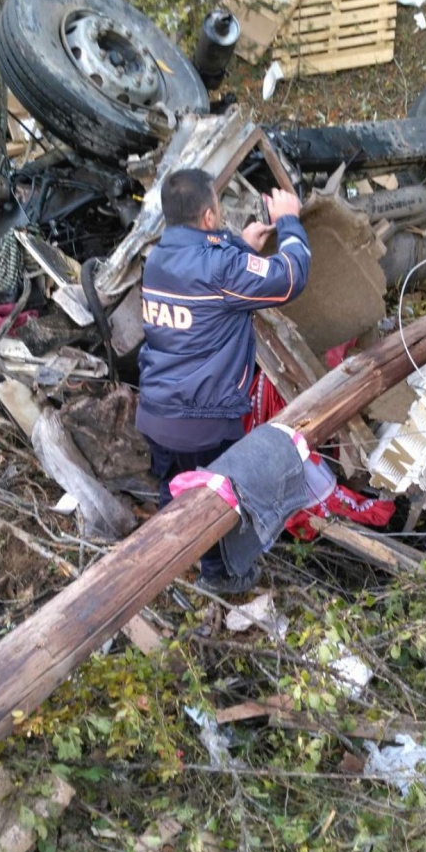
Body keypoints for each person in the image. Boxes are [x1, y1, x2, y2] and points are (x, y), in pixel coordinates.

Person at [136, 167, 310, 594]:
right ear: (211, 215)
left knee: (173, 490)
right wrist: (289, 220)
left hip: (158, 412)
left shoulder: (158, 258)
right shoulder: (222, 269)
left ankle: (163, 561)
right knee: (215, 504)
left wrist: (240, 243)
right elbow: (290, 277)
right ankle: (220, 577)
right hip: (205, 420)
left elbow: (211, 265)